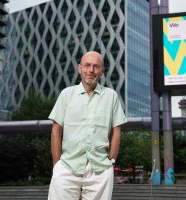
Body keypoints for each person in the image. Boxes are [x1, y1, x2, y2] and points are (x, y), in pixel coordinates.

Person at [48, 51, 127, 200]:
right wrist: (57, 164)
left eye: (96, 66)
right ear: (79, 68)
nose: (91, 70)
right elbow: (56, 130)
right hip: (67, 166)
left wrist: (111, 162)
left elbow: (116, 131)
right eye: (87, 65)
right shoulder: (66, 94)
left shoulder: (111, 96)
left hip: (100, 169)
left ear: (102, 71)